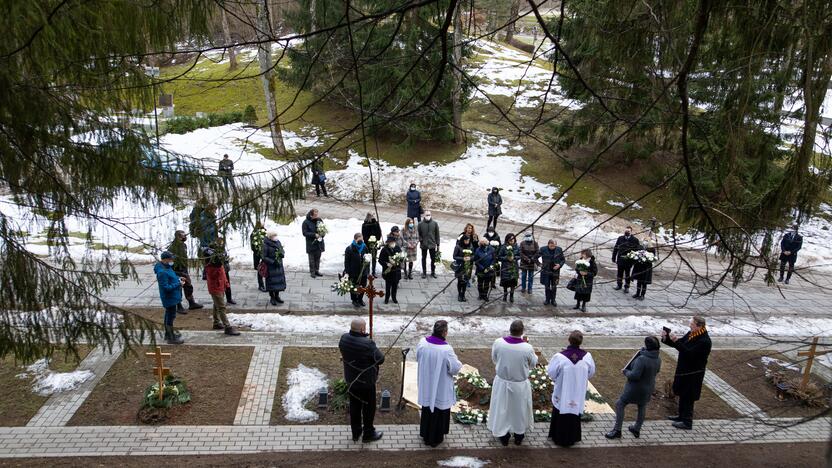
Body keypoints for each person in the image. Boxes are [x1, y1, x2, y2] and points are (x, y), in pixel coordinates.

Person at [488, 320, 537, 446]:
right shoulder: (527, 348)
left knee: (502, 409)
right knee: (519, 410)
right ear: (522, 332)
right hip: (519, 384)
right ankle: (519, 435)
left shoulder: (499, 343)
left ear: (510, 330)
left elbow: (494, 359)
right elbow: (532, 364)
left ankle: (503, 436)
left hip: (502, 382)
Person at [416, 320, 463, 447]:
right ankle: (435, 438)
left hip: (426, 381)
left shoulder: (422, 343)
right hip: (440, 385)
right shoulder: (446, 349)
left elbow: (417, 356)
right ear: (444, 332)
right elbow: (455, 368)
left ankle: (426, 434)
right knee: (438, 409)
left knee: (427, 408)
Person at [605, 336, 661, 439]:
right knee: (642, 406)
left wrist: (625, 371)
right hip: (648, 387)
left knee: (620, 404)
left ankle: (617, 430)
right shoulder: (658, 358)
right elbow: (657, 371)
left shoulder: (641, 359)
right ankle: (636, 429)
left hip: (635, 389)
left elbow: (635, 375)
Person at [339, 318, 384, 443]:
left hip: (351, 380)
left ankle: (356, 432)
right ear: (363, 329)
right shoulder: (367, 344)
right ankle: (368, 433)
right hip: (366, 382)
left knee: (354, 406)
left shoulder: (344, 339)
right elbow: (380, 359)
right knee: (369, 408)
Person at [547, 330, 596, 447]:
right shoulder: (587, 357)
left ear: (569, 340)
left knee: (561, 411)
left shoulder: (560, 357)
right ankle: (572, 437)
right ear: (581, 342)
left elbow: (552, 372)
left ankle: (558, 437)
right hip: (577, 391)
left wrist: (558, 379)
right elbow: (591, 373)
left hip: (562, 390)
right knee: (573, 413)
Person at [662, 316, 711, 430]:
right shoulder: (691, 333)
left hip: (693, 374)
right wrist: (667, 338)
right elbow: (680, 344)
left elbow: (688, 353)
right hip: (685, 370)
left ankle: (687, 422)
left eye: (692, 324)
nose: (690, 325)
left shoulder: (704, 341)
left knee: (688, 396)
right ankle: (681, 417)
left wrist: (676, 341)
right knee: (683, 394)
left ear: (699, 326)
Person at [204, 248, 240, 336]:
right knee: (221, 307)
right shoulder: (210, 267)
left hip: (220, 287)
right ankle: (227, 327)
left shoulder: (218, 266)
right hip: (215, 288)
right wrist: (218, 265)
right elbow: (214, 275)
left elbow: (223, 275)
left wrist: (226, 284)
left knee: (216, 305)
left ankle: (216, 323)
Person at [167, 230, 203, 313]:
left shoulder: (184, 245)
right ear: (177, 237)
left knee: (188, 286)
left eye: (184, 235)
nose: (184, 237)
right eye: (182, 236)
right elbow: (169, 261)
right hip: (177, 271)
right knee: (178, 289)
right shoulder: (172, 248)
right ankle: (179, 306)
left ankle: (191, 303)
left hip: (184, 270)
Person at [155, 251, 185, 345]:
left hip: (173, 297)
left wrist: (178, 278)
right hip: (169, 298)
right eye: (171, 259)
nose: (172, 260)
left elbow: (171, 277)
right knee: (170, 317)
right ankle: (170, 337)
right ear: (165, 259)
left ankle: (168, 334)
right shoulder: (162, 272)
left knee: (169, 315)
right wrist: (178, 284)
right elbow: (166, 287)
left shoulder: (167, 267)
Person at [612, 226, 641, 293]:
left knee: (627, 274)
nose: (627, 232)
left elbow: (637, 250)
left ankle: (627, 287)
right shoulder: (620, 238)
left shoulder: (635, 240)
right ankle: (619, 285)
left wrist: (634, 260)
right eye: (626, 231)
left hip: (628, 260)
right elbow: (616, 248)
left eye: (628, 231)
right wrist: (613, 257)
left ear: (631, 232)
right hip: (620, 259)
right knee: (619, 273)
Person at [262, 230, 287, 306]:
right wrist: (272, 261)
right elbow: (264, 257)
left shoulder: (278, 242)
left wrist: (282, 254)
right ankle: (272, 297)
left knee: (279, 282)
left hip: (278, 266)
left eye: (276, 235)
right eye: (274, 236)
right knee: (271, 283)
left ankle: (277, 296)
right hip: (271, 267)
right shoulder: (265, 245)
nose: (275, 237)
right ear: (270, 237)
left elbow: (281, 250)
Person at [344, 233, 369, 307]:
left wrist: (367, 270)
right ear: (355, 239)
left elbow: (368, 258)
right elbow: (347, 261)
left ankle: (360, 299)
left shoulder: (364, 247)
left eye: (362, 239)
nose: (361, 241)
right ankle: (354, 300)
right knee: (354, 286)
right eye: (360, 239)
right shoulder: (350, 248)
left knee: (363, 286)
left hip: (363, 272)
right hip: (353, 272)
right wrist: (347, 272)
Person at [210, 237, 236, 305]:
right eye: (221, 243)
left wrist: (227, 260)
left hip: (225, 269)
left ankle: (229, 298)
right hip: (219, 270)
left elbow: (225, 257)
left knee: (227, 284)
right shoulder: (214, 250)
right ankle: (220, 299)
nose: (222, 244)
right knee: (220, 285)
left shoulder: (222, 248)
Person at [539, 239, 565, 307]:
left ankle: (553, 300)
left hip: (555, 272)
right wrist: (540, 264)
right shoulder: (543, 249)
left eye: (554, 246)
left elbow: (563, 259)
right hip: (546, 271)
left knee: (554, 286)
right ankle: (547, 299)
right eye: (551, 246)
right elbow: (535, 258)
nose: (553, 247)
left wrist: (559, 265)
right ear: (548, 244)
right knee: (547, 286)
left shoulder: (559, 249)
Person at [378, 235, 402, 304]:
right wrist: (387, 264)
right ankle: (387, 298)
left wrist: (398, 261)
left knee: (395, 286)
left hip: (396, 271)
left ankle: (394, 297)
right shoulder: (384, 250)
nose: (392, 243)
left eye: (393, 242)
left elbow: (401, 257)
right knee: (388, 287)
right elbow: (380, 260)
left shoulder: (397, 248)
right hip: (388, 272)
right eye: (391, 242)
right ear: (388, 243)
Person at [302, 209, 325, 278]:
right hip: (311, 243)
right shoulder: (306, 222)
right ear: (311, 215)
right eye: (315, 215)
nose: (316, 216)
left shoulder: (319, 220)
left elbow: (324, 229)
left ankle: (317, 270)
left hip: (319, 243)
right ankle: (312, 272)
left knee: (318, 258)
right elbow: (304, 233)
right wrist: (314, 235)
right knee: (311, 259)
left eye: (317, 214)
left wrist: (322, 234)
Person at [417, 211, 440, 279]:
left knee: (433, 259)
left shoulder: (435, 223)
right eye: (426, 215)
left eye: (429, 215)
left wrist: (438, 244)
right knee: (424, 258)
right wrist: (421, 240)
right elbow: (418, 233)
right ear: (424, 215)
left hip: (432, 244)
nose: (428, 216)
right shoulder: (420, 224)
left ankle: (433, 272)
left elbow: (437, 234)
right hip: (424, 244)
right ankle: (424, 272)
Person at [498, 233, 520, 303]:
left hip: (514, 267)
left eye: (513, 239)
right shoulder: (504, 247)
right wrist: (506, 258)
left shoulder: (517, 246)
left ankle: (511, 295)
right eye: (510, 239)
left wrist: (514, 258)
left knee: (513, 282)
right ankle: (505, 294)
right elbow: (499, 257)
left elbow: (519, 255)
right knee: (505, 282)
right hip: (505, 267)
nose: (512, 241)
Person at [452, 235, 474, 302]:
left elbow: (473, 255)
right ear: (463, 240)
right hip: (460, 266)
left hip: (467, 266)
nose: (467, 242)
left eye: (468, 240)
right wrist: (462, 258)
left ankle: (463, 294)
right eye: (466, 240)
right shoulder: (458, 246)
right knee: (460, 281)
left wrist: (470, 258)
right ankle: (459, 294)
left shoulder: (470, 246)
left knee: (465, 281)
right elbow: (454, 256)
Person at [250, 221, 267, 292]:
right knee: (259, 269)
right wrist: (257, 250)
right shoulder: (254, 234)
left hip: (264, 253)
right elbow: (252, 245)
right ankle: (261, 285)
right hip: (257, 254)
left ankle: (267, 284)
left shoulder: (265, 232)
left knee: (266, 268)